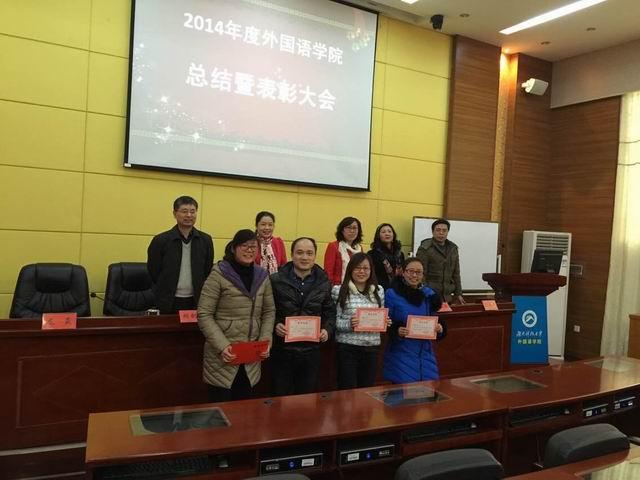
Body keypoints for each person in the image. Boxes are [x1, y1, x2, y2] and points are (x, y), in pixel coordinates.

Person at [197, 229, 275, 402]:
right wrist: (222, 346)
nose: (249, 250)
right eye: (244, 246)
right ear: (233, 248)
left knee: (245, 410)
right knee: (220, 411)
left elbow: (269, 312)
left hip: (251, 357)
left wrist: (265, 341)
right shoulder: (218, 274)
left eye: (253, 247)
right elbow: (204, 314)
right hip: (223, 356)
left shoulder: (262, 276)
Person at [270, 237, 336, 396]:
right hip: (283, 350)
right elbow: (267, 311)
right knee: (280, 398)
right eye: (299, 253)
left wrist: (327, 330)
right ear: (292, 255)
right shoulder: (276, 280)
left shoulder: (324, 282)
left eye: (309, 253)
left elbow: (330, 312)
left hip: (311, 351)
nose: (304, 257)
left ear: (315, 256)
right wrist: (275, 325)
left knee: (306, 399)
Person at [383, 258, 447, 383]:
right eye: (410, 271)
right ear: (403, 272)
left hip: (425, 354)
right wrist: (396, 330)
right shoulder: (392, 294)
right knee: (403, 392)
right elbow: (386, 321)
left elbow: (434, 318)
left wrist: (440, 328)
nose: (414, 275)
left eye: (418, 272)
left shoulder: (428, 295)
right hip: (401, 353)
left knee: (427, 391)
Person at [147, 196, 214, 314]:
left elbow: (207, 270)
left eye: (192, 211)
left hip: (196, 300)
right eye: (184, 211)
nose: (189, 215)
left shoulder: (205, 240)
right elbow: (154, 270)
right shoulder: (161, 240)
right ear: (175, 213)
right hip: (168, 300)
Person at [332, 252, 387, 389]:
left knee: (366, 390)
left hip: (371, 348)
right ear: (350, 269)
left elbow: (381, 316)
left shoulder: (379, 290)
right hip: (348, 349)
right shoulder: (338, 290)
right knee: (347, 390)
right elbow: (333, 322)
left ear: (371, 270)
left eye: (365, 268)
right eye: (357, 268)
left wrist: (385, 322)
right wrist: (349, 324)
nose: (361, 271)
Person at [415, 218, 465, 305]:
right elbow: (420, 274)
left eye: (444, 230)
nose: (441, 233)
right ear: (433, 232)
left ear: (447, 232)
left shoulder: (453, 249)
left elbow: (456, 273)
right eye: (438, 230)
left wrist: (458, 294)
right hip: (430, 295)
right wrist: (425, 292)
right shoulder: (425, 248)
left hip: (447, 297)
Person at [324, 216, 363, 285]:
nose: (352, 231)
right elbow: (328, 272)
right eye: (349, 227)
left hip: (356, 286)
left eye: (355, 228)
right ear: (342, 230)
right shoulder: (334, 246)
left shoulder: (359, 248)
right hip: (337, 286)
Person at [368, 223, 405, 290]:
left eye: (389, 231)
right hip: (380, 289)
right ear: (378, 236)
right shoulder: (372, 254)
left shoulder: (400, 254)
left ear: (393, 235)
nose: (387, 234)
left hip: (398, 289)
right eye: (383, 232)